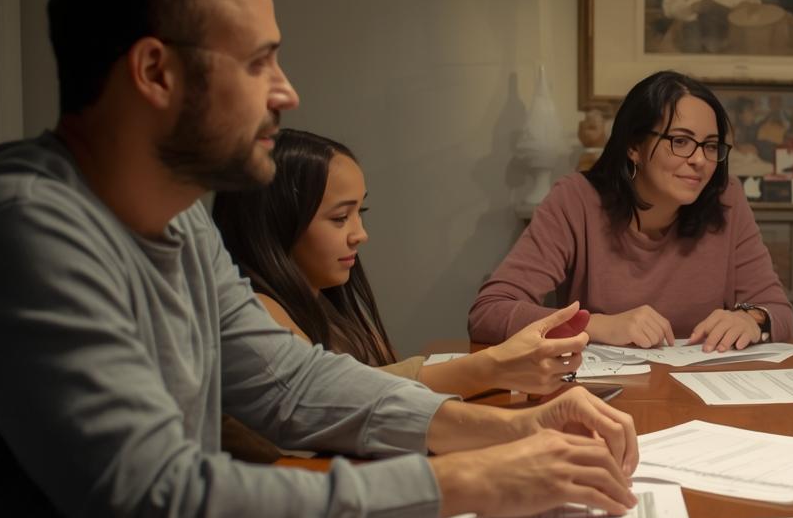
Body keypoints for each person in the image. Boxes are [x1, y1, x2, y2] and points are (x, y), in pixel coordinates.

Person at [0, 0, 639, 518]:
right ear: (155, 71)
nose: (286, 91)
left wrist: (506, 429)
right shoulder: (31, 228)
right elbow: (165, 508)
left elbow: (291, 382)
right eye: (260, 61)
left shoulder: (182, 220)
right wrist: (464, 481)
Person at [212, 129, 586, 398]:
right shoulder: (261, 315)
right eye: (340, 218)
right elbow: (344, 397)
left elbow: (382, 382)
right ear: (275, 221)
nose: (360, 234)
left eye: (362, 213)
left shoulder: (330, 306)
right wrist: (492, 367)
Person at [469, 70, 793, 350]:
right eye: (680, 141)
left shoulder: (727, 199)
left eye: (710, 145)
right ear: (633, 146)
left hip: (705, 392)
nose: (699, 160)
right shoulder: (576, 201)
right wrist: (596, 326)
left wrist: (752, 320)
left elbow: (778, 311)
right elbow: (489, 313)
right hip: (603, 399)